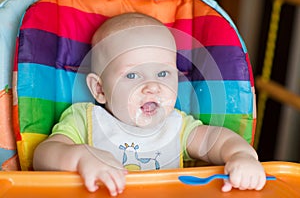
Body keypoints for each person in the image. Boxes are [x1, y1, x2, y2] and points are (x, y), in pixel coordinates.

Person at [33, 12, 266, 197]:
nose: (152, 87)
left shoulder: (177, 126)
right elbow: (43, 155)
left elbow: (218, 140)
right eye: (133, 76)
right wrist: (81, 157)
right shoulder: (85, 120)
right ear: (100, 89)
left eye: (163, 73)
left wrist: (241, 156)